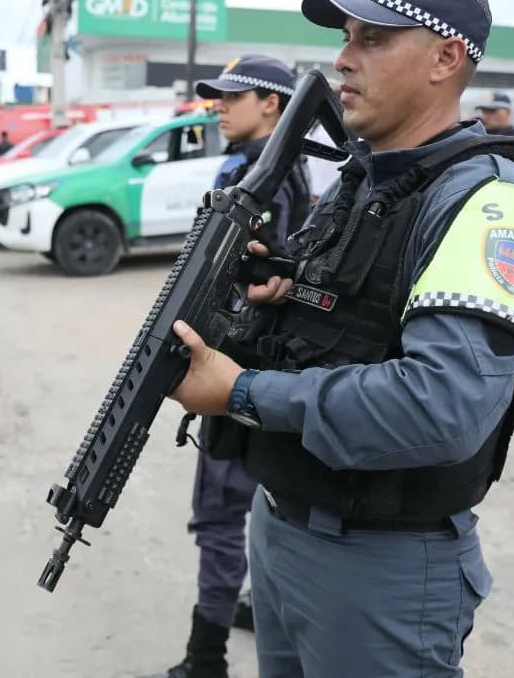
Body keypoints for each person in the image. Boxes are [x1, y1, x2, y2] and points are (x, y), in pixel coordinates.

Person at [166, 0, 514, 677]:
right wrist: (285, 293)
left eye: (373, 40)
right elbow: (354, 317)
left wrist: (241, 392)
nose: (343, 59)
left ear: (446, 57)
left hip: (380, 560)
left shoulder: (492, 202)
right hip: (284, 523)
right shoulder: (364, 177)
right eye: (347, 37)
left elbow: (441, 405)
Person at [155, 54, 312, 678]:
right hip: (250, 363)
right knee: (255, 508)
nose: (219, 106)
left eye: (233, 96)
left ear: (273, 104)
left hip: (237, 366)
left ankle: (205, 657)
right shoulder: (269, 169)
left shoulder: (265, 177)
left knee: (222, 514)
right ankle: (245, 606)